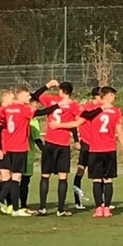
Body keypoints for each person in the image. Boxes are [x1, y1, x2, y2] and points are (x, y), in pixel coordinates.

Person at [52, 86, 123, 218]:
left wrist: (59, 125)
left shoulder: (92, 111)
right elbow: (120, 132)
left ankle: (99, 208)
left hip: (95, 149)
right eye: (112, 95)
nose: (113, 98)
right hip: (109, 149)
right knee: (108, 179)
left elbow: (76, 123)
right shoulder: (116, 111)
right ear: (108, 96)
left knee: (97, 179)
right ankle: (106, 208)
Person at [0, 83, 59, 217]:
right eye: (27, 95)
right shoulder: (23, 109)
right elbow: (41, 112)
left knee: (13, 177)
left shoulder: (7, 109)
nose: (29, 97)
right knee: (16, 178)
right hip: (19, 147)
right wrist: (58, 105)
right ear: (19, 96)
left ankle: (8, 204)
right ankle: (7, 204)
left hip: (9, 147)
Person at [30, 80, 81, 217]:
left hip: (50, 143)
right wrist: (76, 140)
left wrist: (47, 85)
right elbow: (76, 123)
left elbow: (34, 96)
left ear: (61, 91)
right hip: (63, 144)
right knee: (62, 177)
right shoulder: (74, 105)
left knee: (45, 175)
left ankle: (42, 208)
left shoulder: (52, 100)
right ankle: (60, 210)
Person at [73, 86, 102, 209]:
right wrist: (76, 140)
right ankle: (77, 201)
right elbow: (74, 124)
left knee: (99, 173)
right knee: (80, 171)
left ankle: (101, 202)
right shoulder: (86, 109)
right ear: (97, 96)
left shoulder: (103, 109)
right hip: (86, 143)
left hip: (98, 144)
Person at [20, 109, 45, 213]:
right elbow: (37, 139)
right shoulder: (32, 121)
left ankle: (10, 204)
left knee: (12, 179)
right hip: (27, 154)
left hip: (13, 152)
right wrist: (46, 151)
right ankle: (23, 205)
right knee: (24, 181)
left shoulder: (17, 116)